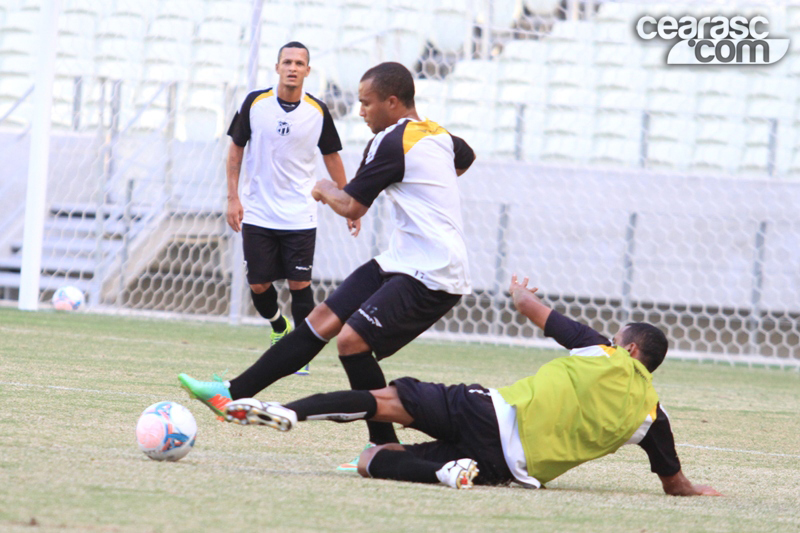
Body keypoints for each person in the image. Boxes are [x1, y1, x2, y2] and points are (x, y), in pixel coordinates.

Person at [179, 62, 477, 468]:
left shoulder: (391, 142)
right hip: (404, 257)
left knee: (352, 342)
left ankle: (384, 445)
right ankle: (231, 391)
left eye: (366, 103)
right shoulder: (437, 133)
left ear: (392, 103)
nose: (361, 112)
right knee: (322, 318)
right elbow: (465, 157)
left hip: (435, 271)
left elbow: (351, 205)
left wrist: (322, 189)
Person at [220, 274, 723, 495]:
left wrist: (520, 291)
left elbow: (530, 309)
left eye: (619, 338)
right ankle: (442, 475)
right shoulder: (651, 417)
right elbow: (674, 483)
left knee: (386, 403)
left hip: (490, 412)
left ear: (630, 350)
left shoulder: (600, 349)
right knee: (372, 461)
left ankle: (291, 411)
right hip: (508, 467)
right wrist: (697, 490)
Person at [226, 41, 359, 375]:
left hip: (300, 213)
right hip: (258, 210)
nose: (293, 67)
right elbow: (235, 151)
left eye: (299, 63)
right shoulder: (255, 103)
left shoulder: (317, 111)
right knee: (258, 283)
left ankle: (301, 355)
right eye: (287, 61)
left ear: (307, 71)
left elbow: (331, 156)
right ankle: (277, 325)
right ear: (277, 67)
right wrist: (232, 197)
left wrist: (349, 203)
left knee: (299, 285)